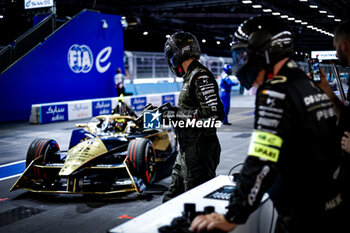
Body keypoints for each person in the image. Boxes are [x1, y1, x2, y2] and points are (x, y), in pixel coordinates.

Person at [191, 15, 346, 233]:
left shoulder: (275, 91)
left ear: (263, 52)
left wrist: (235, 213)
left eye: (243, 55)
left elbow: (263, 158)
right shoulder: (310, 85)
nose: (241, 63)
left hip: (303, 216)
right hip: (333, 205)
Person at [162, 31, 225, 202]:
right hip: (186, 151)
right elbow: (187, 112)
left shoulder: (200, 75)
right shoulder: (190, 76)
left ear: (176, 54)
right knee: (169, 202)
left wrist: (175, 114)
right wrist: (155, 116)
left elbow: (214, 115)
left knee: (195, 205)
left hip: (200, 153)